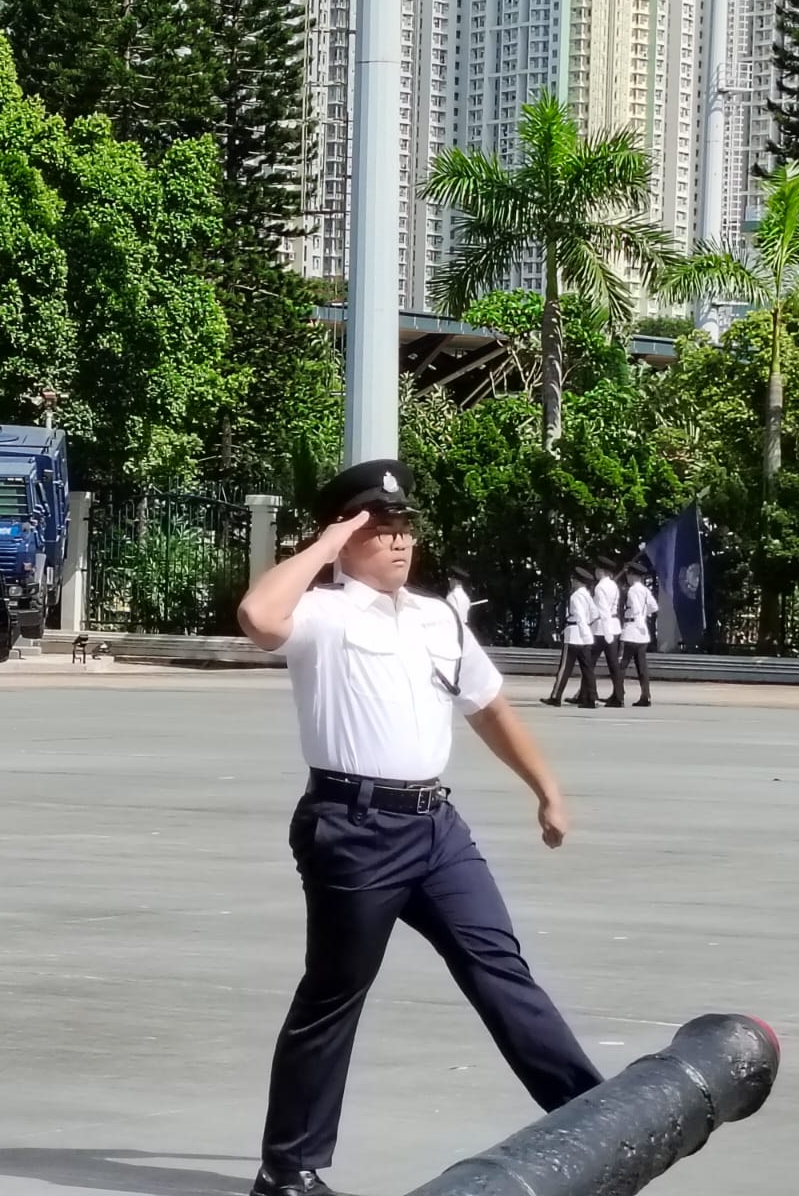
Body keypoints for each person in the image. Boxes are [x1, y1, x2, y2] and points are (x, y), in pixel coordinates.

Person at [237, 459, 603, 1196]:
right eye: (380, 530)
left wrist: (546, 787)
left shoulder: (439, 618)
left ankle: (590, 1116)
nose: (400, 544)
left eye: (405, 530)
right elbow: (258, 617)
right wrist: (325, 544)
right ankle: (286, 1171)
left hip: (437, 827)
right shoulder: (323, 616)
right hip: (354, 825)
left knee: (499, 967)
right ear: (347, 536)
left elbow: (490, 707)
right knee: (336, 993)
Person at [542, 567, 597, 709]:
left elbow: (579, 616)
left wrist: (584, 633)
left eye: (574, 580)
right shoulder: (587, 595)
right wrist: (588, 633)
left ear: (579, 582)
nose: (572, 582)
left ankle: (556, 696)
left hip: (574, 634)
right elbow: (594, 614)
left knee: (565, 668)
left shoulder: (576, 596)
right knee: (587, 669)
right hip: (584, 636)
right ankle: (591, 698)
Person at [620, 563, 657, 708]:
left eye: (628, 575)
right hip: (642, 634)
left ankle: (618, 694)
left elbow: (635, 608)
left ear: (632, 575)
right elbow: (654, 606)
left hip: (631, 630)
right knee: (642, 667)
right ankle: (645, 695)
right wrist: (643, 616)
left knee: (622, 664)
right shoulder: (645, 590)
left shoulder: (633, 590)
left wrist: (639, 619)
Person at [590, 556, 625, 707]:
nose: (595, 572)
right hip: (614, 626)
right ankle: (618, 695)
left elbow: (603, 611)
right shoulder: (613, 586)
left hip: (602, 630)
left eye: (597, 570)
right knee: (613, 665)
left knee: (588, 663)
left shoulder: (599, 587)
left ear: (601, 571)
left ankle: (590, 695)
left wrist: (606, 632)